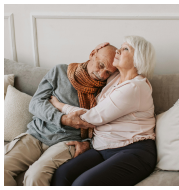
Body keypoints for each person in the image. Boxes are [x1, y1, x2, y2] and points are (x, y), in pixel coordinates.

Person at [50, 36, 157, 186]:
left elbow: (91, 117)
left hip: (133, 152)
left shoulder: (135, 87)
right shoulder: (114, 78)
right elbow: (93, 67)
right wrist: (98, 49)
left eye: (125, 49)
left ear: (138, 59)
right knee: (62, 175)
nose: (118, 51)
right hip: (102, 148)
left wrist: (58, 105)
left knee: (82, 185)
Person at [4, 44, 117, 186]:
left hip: (66, 143)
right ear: (92, 53)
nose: (101, 75)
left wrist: (87, 144)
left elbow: (104, 125)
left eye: (108, 72)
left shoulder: (107, 90)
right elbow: (36, 103)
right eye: (101, 65)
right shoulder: (60, 72)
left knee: (35, 176)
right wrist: (63, 119)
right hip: (36, 135)